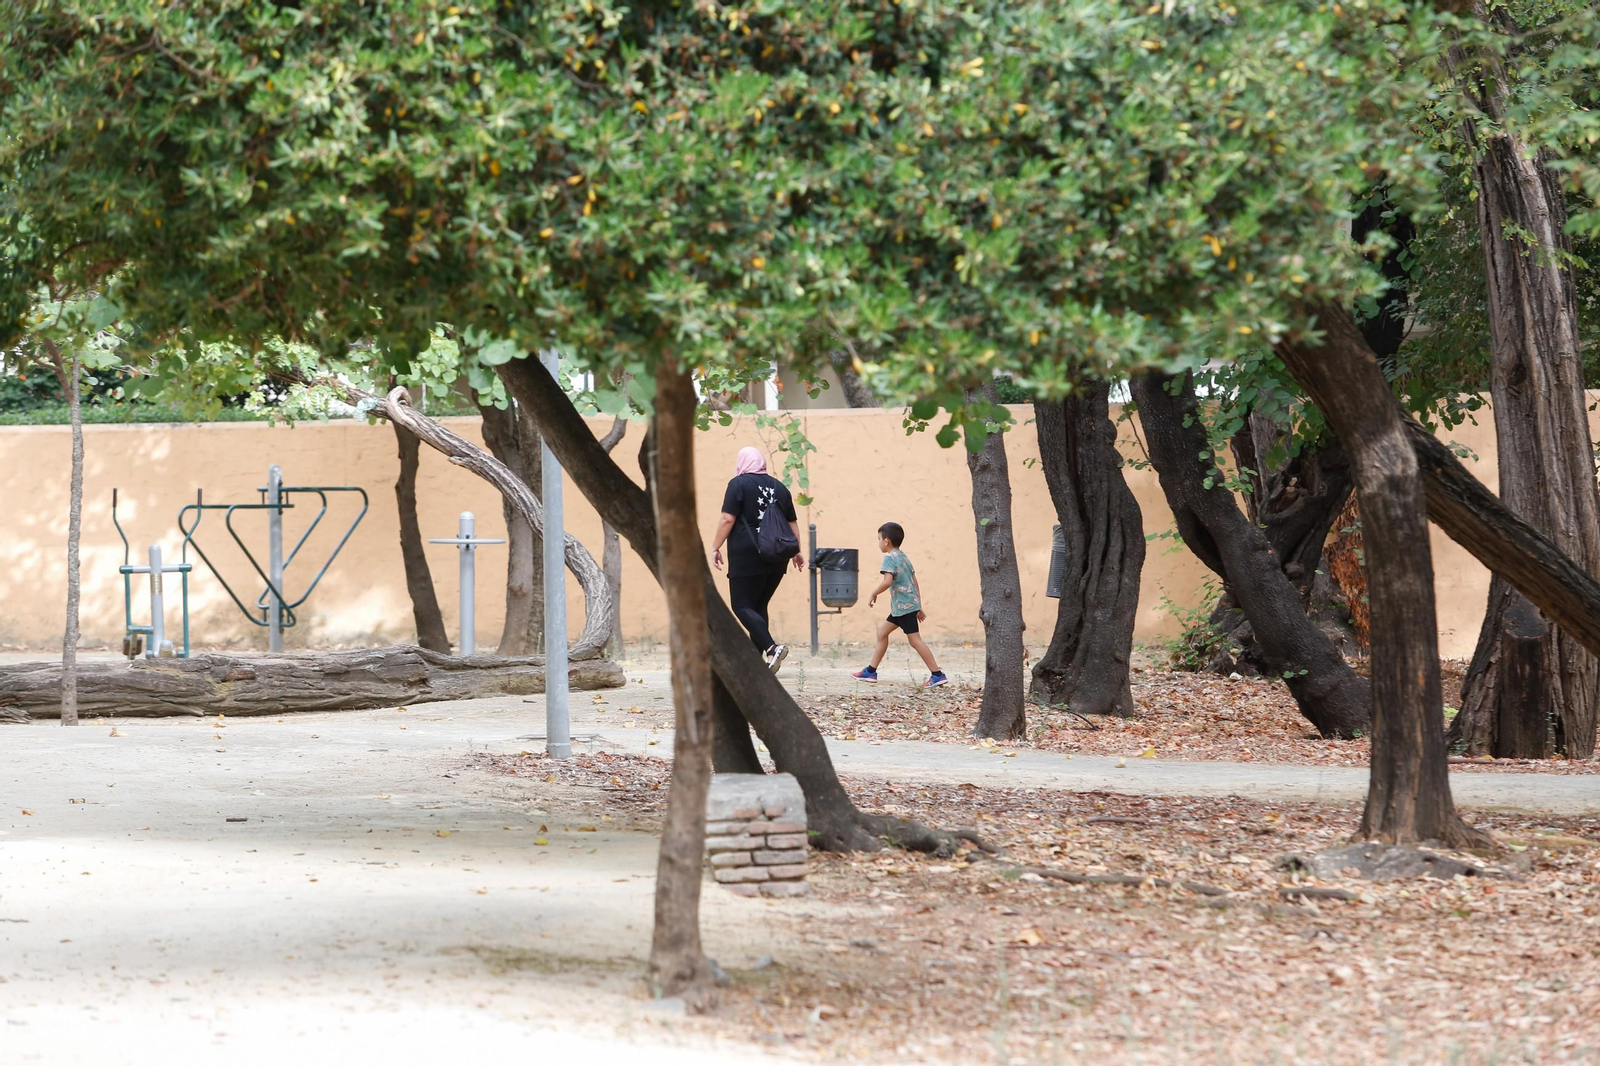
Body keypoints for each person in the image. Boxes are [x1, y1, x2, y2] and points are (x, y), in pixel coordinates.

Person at [711, 446, 804, 672]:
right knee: (758, 606)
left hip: (747, 554)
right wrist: (797, 551)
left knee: (741, 605)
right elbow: (792, 523)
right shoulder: (780, 487)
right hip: (777, 555)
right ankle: (755, 665)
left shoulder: (738, 484)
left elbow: (726, 518)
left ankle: (772, 648)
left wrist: (715, 546)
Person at [852, 522, 949, 687]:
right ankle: (870, 671)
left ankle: (937, 674)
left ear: (886, 541)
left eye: (879, 538)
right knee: (882, 633)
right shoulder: (904, 557)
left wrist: (874, 593)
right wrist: (918, 605)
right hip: (903, 607)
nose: (878, 542)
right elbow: (914, 582)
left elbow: (887, 581)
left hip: (904, 608)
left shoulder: (889, 558)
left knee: (915, 641)